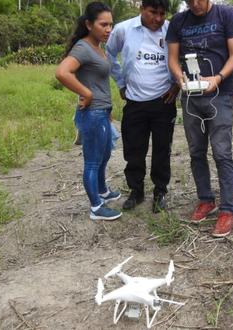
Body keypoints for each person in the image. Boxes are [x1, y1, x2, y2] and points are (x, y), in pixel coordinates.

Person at [166, 0, 233, 237]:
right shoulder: (180, 20)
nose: (195, 4)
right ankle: (205, 199)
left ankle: (228, 209)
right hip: (191, 96)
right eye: (189, 1)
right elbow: (172, 57)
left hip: (219, 94)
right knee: (196, 151)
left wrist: (218, 77)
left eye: (198, 0)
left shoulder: (226, 15)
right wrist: (180, 79)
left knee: (221, 152)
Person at [106, 0, 180, 214]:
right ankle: (136, 191)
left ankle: (160, 192)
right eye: (152, 12)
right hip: (135, 102)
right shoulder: (123, 30)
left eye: (162, 13)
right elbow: (109, 54)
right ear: (142, 9)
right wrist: (120, 83)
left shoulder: (171, 31)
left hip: (163, 102)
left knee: (162, 150)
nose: (157, 18)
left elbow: (182, 57)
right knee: (134, 150)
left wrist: (176, 85)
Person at [55, 2, 122, 221]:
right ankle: (96, 207)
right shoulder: (83, 48)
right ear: (88, 24)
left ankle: (102, 191)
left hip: (102, 112)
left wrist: (106, 109)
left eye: (111, 24)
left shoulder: (97, 47)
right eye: (103, 24)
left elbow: (97, 80)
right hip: (92, 112)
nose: (108, 29)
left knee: (104, 155)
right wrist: (87, 93)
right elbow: (62, 72)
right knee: (92, 161)